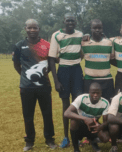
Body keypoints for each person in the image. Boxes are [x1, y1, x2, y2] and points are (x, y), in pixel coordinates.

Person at [13, 19, 56, 151]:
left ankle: (49, 140)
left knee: (47, 114)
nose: (32, 30)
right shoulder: (19, 45)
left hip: (44, 86)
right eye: (29, 28)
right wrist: (25, 76)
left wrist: (44, 74)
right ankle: (29, 141)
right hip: (26, 87)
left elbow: (50, 64)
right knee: (28, 115)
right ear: (25, 28)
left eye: (35, 28)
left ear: (39, 29)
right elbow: (16, 64)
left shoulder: (47, 45)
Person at [48, 13, 84, 148]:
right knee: (65, 105)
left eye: (72, 21)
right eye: (68, 20)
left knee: (78, 104)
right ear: (63, 21)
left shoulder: (80, 34)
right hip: (63, 71)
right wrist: (56, 81)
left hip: (76, 70)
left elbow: (82, 53)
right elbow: (51, 59)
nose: (70, 23)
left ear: (75, 22)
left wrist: (75, 61)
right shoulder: (56, 35)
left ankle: (77, 137)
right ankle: (66, 137)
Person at [64, 82, 110, 152]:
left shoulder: (105, 103)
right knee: (73, 121)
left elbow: (105, 122)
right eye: (93, 93)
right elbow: (66, 113)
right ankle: (76, 149)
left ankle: (93, 141)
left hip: (93, 124)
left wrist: (100, 127)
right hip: (80, 124)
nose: (95, 95)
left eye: (98, 93)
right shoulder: (82, 98)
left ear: (101, 93)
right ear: (89, 92)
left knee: (105, 138)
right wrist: (85, 118)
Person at [81, 19, 115, 101]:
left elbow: (112, 59)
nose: (97, 30)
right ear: (90, 29)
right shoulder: (84, 42)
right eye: (94, 28)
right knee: (90, 106)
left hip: (106, 80)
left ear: (102, 29)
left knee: (108, 106)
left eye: (99, 28)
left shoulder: (109, 43)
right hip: (89, 80)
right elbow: (79, 57)